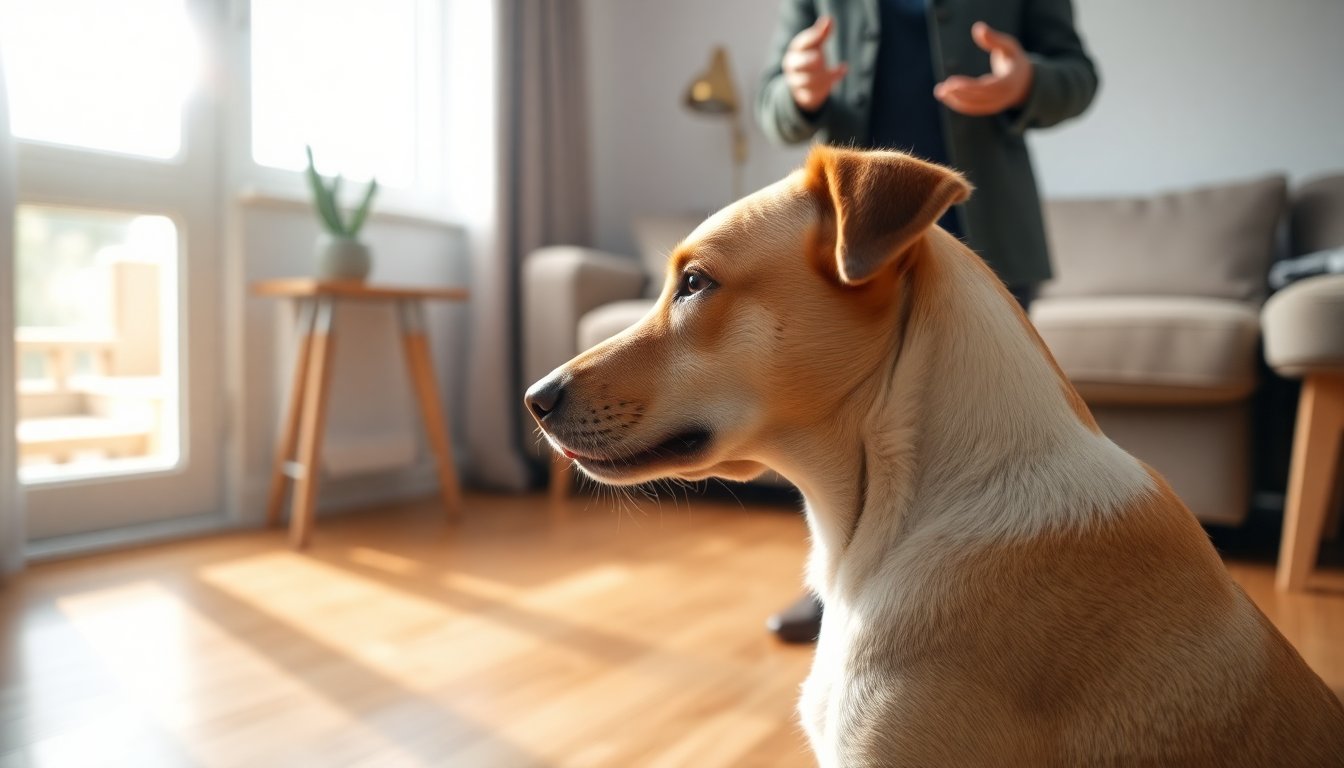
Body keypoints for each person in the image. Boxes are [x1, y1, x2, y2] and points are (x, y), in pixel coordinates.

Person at [756, 0, 1099, 642]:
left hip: (985, 222)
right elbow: (771, 102)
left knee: (995, 420)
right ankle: (845, 597)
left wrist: (1026, 82)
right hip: (848, 241)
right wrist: (798, 91)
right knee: (843, 417)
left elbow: (1077, 78)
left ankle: (999, 595)